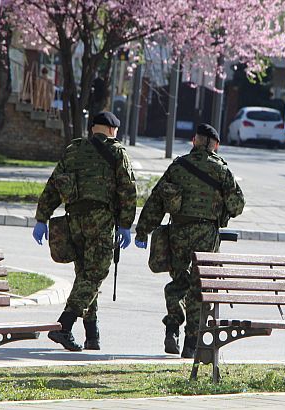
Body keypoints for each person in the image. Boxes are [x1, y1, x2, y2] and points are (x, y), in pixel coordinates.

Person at [134, 123, 245, 358]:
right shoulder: (221, 170)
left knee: (179, 281)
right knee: (199, 287)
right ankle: (191, 342)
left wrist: (143, 230)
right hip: (206, 235)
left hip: (179, 232)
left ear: (194, 140)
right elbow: (237, 206)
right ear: (216, 145)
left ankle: (172, 328)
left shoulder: (178, 166)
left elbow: (156, 201)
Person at [33, 111, 137, 351]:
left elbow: (53, 185)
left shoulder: (74, 150)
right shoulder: (117, 152)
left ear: (93, 129)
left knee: (84, 275)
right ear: (112, 130)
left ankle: (92, 334)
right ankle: (64, 326)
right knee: (94, 274)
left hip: (74, 221)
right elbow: (127, 190)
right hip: (100, 221)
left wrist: (42, 217)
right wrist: (125, 224)